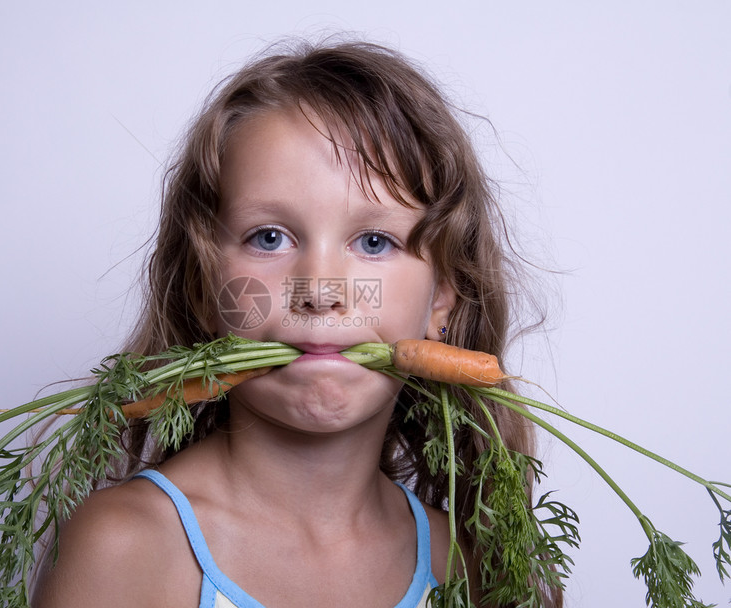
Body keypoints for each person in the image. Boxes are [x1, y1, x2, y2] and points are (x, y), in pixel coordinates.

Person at [31, 38, 555, 608]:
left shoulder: (470, 566)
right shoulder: (129, 549)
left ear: (442, 300)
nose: (322, 292)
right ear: (205, 289)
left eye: (374, 242)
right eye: (269, 238)